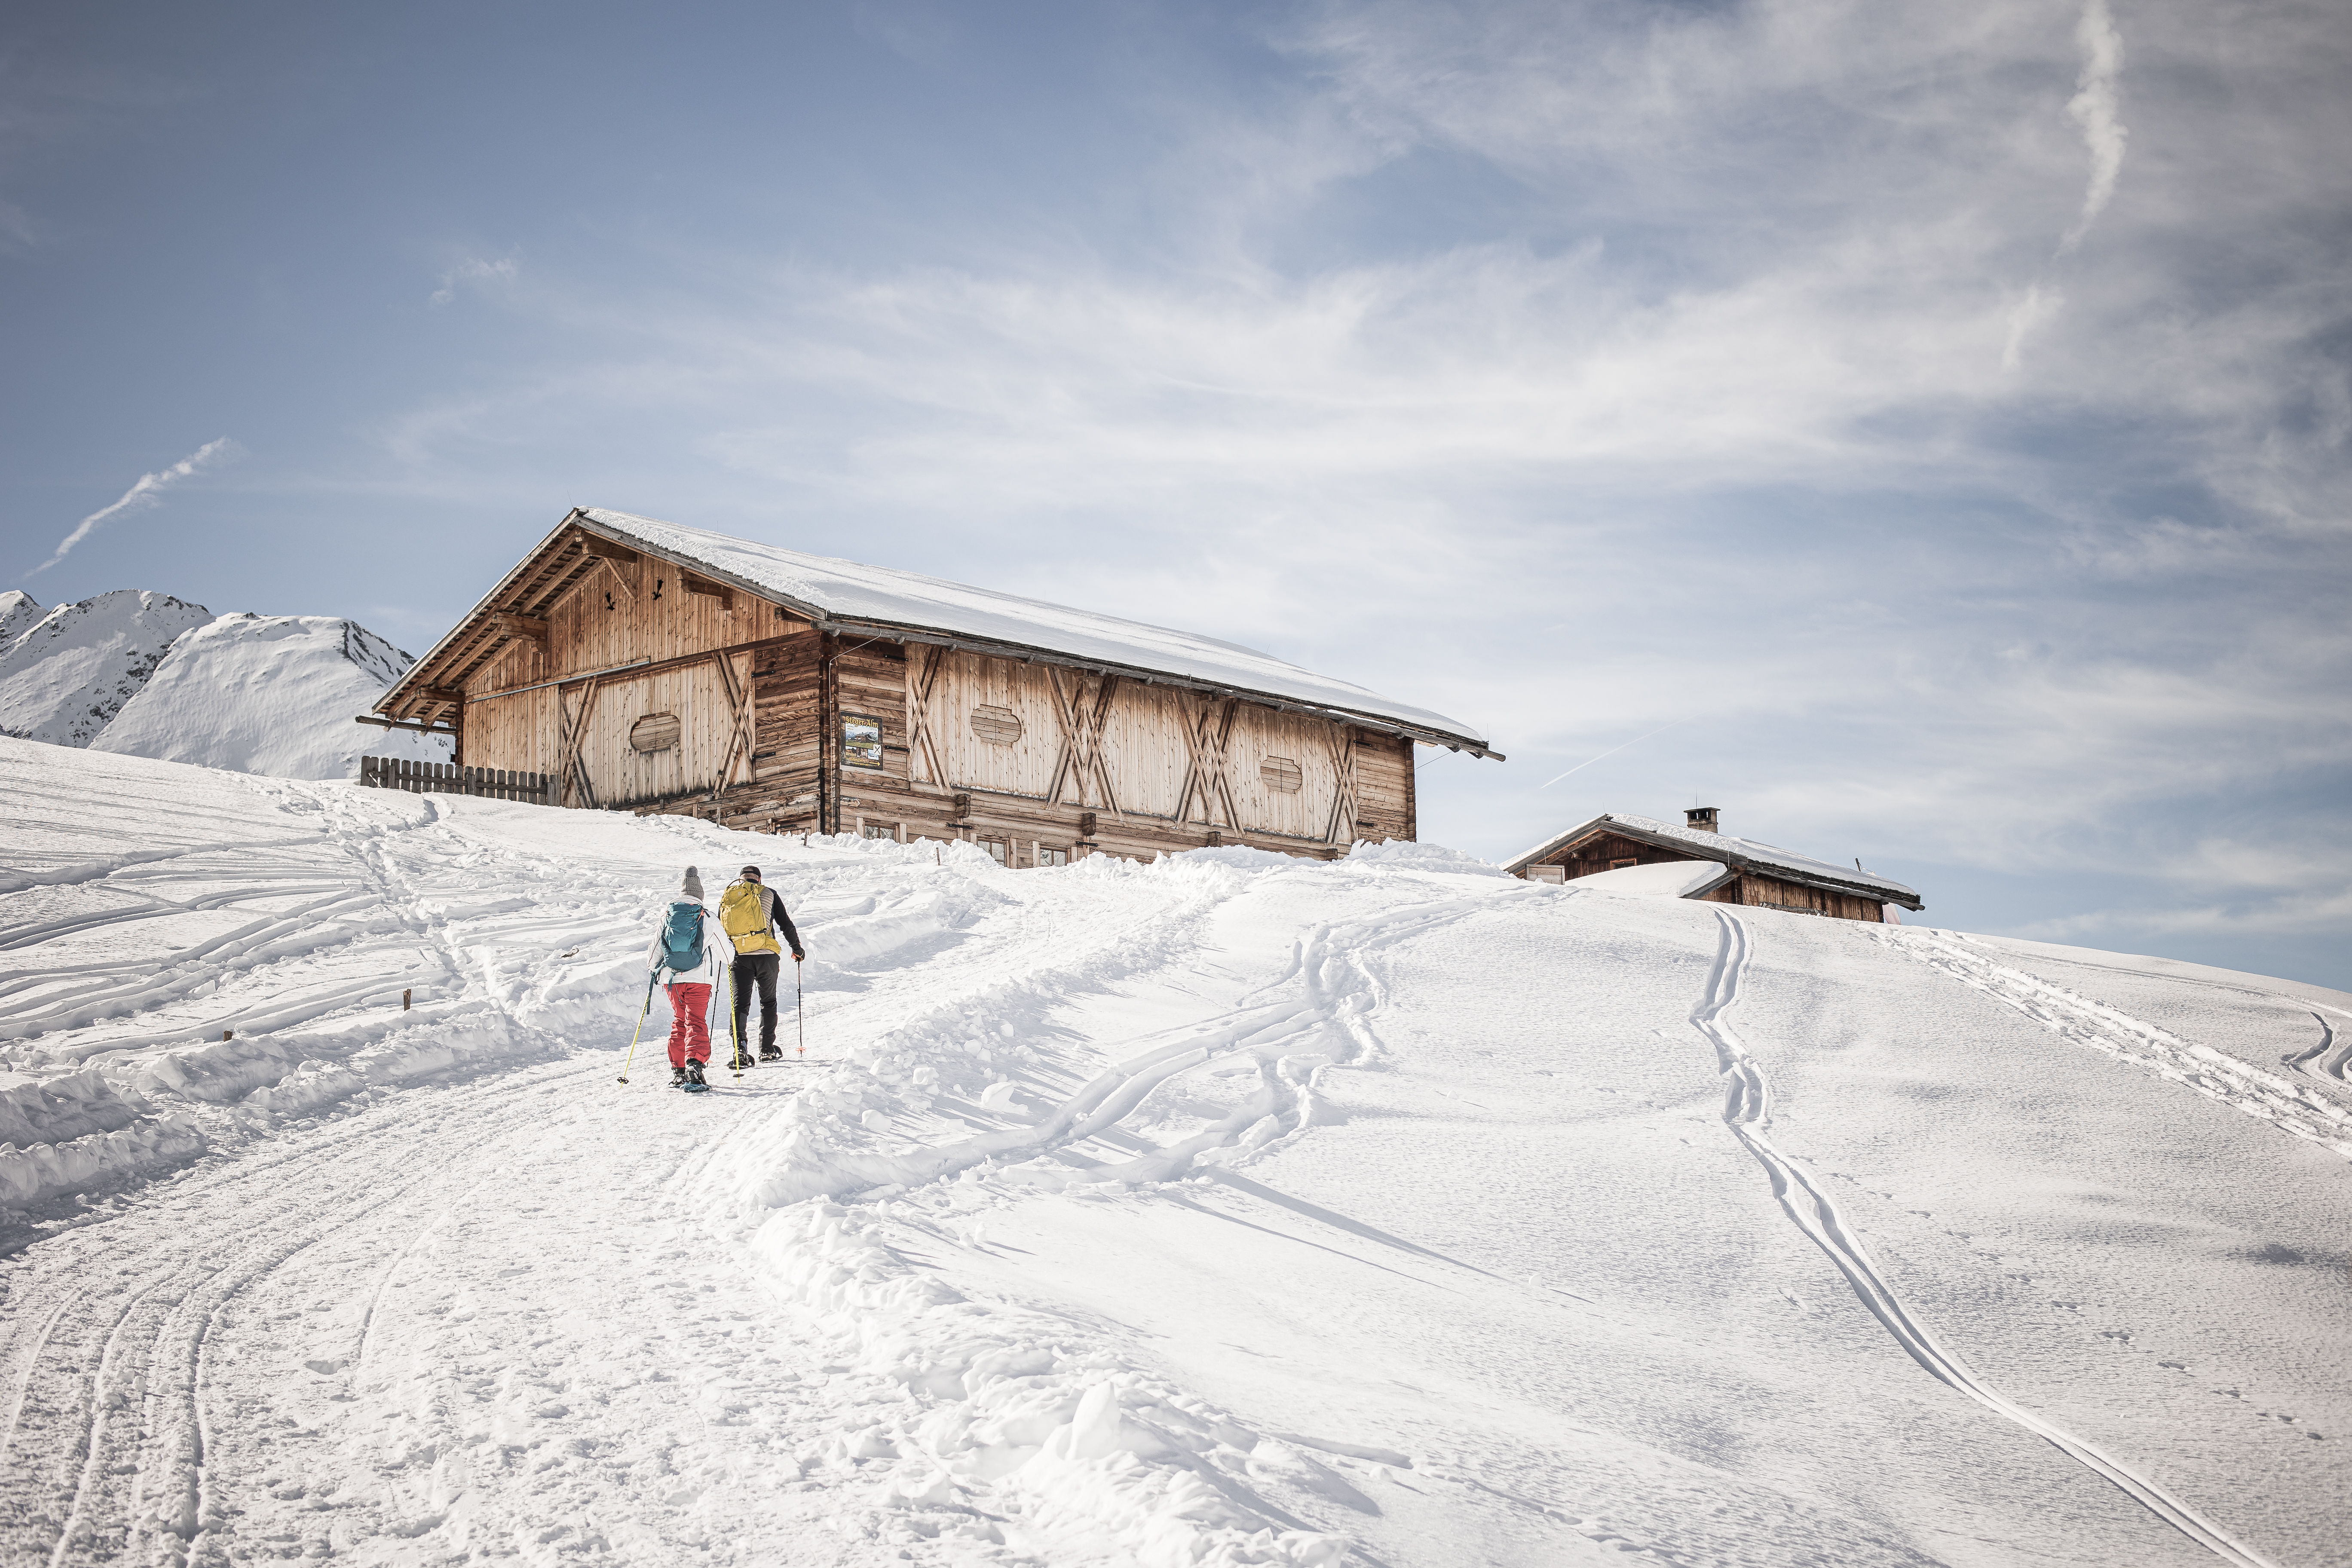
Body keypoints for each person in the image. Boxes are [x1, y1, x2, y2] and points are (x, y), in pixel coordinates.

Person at [646, 866, 726, 1090]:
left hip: (672, 980)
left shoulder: (668, 916)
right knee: (696, 1021)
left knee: (679, 1021)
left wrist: (655, 970)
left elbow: (654, 953)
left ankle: (679, 1071)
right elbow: (727, 955)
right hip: (699, 980)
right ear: (700, 895)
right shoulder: (707, 917)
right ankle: (695, 1066)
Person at [717, 864, 805, 1064]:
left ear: (741, 879)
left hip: (739, 957)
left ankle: (740, 1051)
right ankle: (766, 1049)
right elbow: (786, 924)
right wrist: (797, 949)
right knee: (768, 1002)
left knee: (739, 1005)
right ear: (759, 878)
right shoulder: (769, 894)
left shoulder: (730, 896)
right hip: (767, 957)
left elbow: (720, 928)